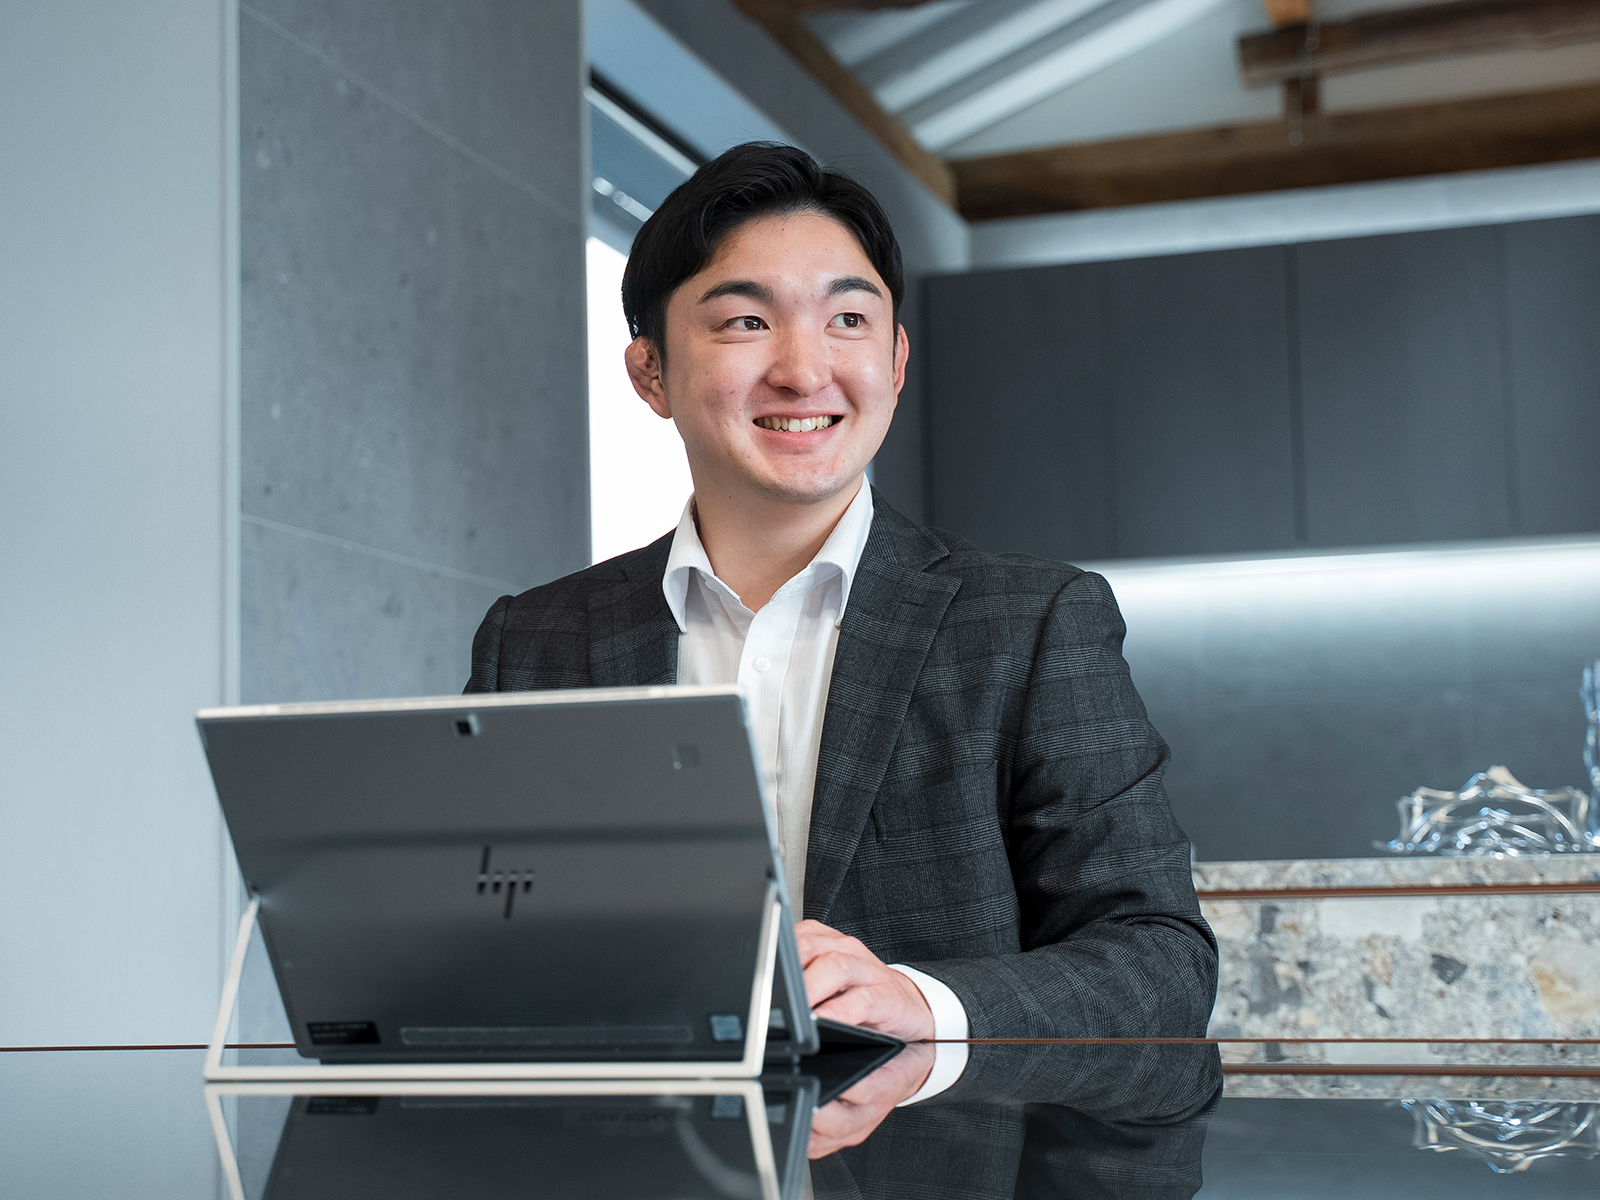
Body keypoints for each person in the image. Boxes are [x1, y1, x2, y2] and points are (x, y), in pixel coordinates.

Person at [466, 142, 1217, 1130]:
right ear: (650, 372)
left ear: (895, 363)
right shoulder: (535, 641)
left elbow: (1160, 966)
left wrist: (923, 1010)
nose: (803, 368)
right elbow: (477, 941)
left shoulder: (1031, 624)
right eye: (745, 321)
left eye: (848, 320)